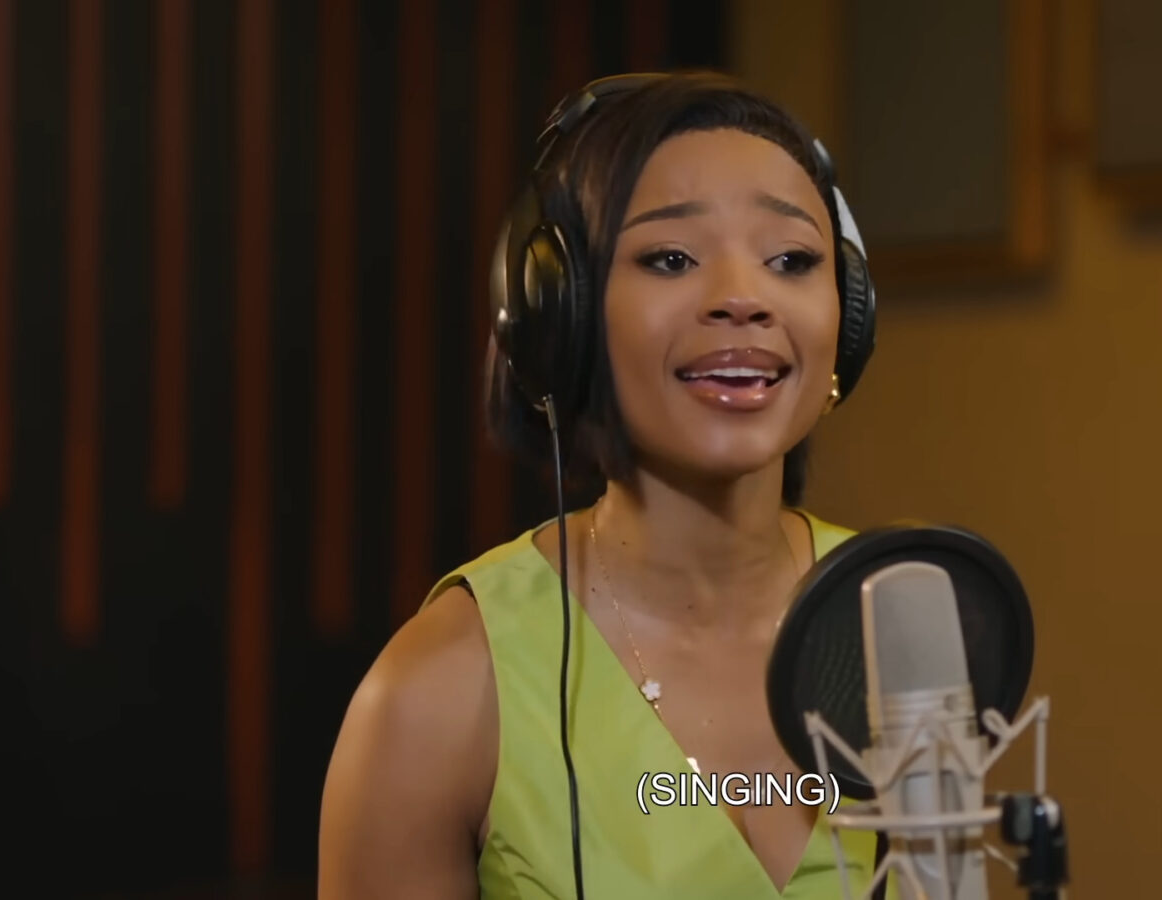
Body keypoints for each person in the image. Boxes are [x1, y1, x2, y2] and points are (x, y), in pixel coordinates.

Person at [317, 71, 886, 899]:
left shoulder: (902, 614)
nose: (743, 298)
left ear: (849, 315)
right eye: (671, 258)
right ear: (563, 316)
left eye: (792, 260)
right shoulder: (440, 689)